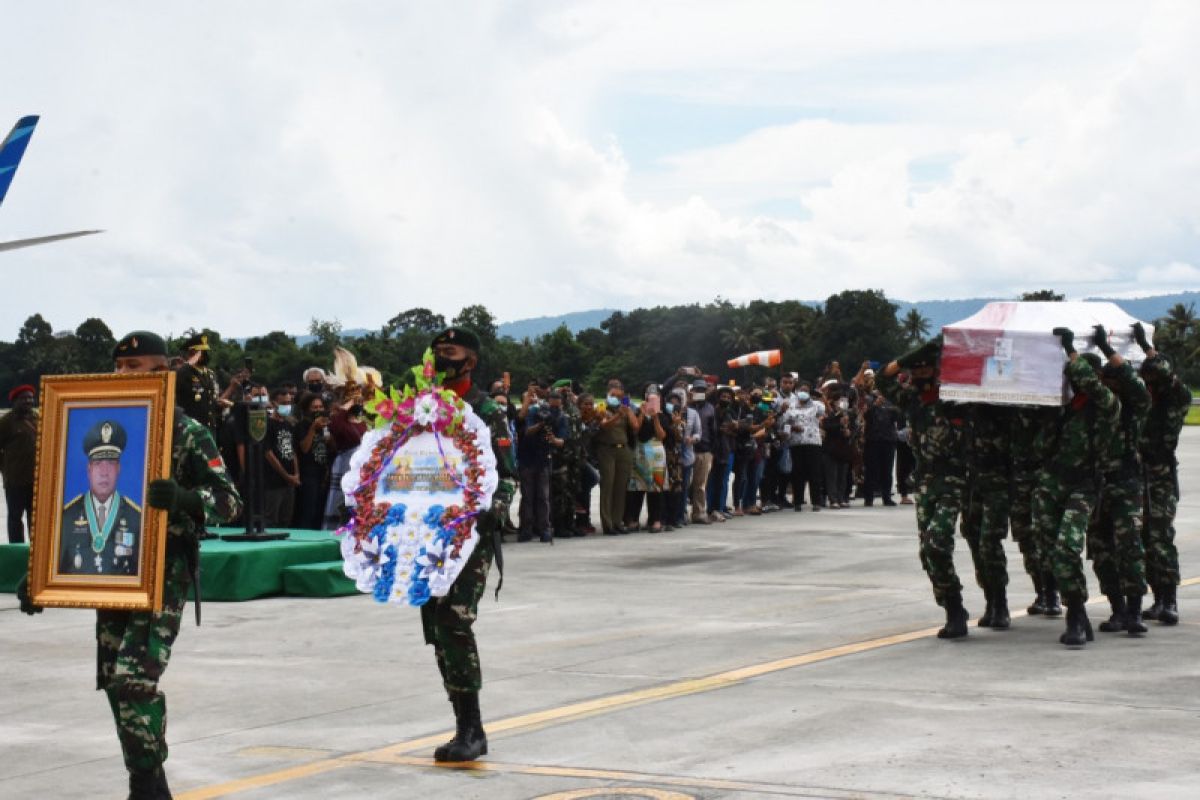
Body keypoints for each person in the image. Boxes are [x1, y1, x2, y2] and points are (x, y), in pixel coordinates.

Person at [19, 330, 242, 799]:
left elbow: (229, 501)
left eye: (135, 368)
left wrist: (186, 499)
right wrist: (39, 576)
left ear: (165, 371)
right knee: (114, 683)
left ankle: (147, 785)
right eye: (119, 367)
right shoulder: (91, 424)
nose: (123, 375)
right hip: (111, 574)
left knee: (134, 680)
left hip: (162, 573)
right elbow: (62, 506)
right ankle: (148, 782)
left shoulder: (187, 431)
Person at [423, 326, 517, 762]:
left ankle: (472, 730)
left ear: (471, 361)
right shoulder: (422, 407)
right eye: (438, 351)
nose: (443, 358)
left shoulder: (484, 410)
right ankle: (463, 720)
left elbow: (508, 473)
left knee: (454, 622)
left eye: (451, 351)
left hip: (471, 535)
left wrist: (492, 512)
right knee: (438, 632)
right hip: (429, 534)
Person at [879, 337, 971, 639]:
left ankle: (955, 607)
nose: (919, 373)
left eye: (925, 367)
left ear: (935, 369)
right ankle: (950, 606)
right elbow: (883, 378)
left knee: (937, 542)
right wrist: (914, 354)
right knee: (927, 553)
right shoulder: (912, 400)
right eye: (914, 369)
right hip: (926, 483)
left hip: (953, 481)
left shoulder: (953, 396)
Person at [1035, 328, 1120, 647]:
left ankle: (1075, 614)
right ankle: (1078, 612)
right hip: (1051, 484)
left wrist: (1070, 348)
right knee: (1049, 554)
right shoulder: (1062, 410)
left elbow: (1086, 379)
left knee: (1067, 549)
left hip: (1083, 485)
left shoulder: (1107, 404)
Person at [1134, 322, 1191, 625]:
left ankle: (1169, 600)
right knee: (1143, 539)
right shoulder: (1143, 402)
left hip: (1160, 477)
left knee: (1160, 538)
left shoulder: (1176, 398)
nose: (1149, 382)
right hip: (1138, 475)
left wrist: (1147, 347)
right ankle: (1157, 598)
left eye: (1153, 378)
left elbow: (1164, 373)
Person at [59, 420, 143, 575]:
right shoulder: (66, 516)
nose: (104, 472)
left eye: (110, 463)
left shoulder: (136, 518)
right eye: (98, 463)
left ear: (118, 469)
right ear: (89, 469)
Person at [959, 404, 1015, 629]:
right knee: (974, 539)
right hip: (972, 480)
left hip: (998, 482)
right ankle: (990, 599)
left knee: (989, 543)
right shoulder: (963, 406)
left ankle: (1000, 602)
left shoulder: (1005, 408)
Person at [595, 379, 638, 535]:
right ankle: (607, 524)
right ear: (608, 393)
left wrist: (627, 410)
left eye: (619, 394)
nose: (616, 397)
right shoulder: (601, 407)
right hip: (607, 450)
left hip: (623, 449)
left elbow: (635, 427)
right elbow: (604, 425)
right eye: (613, 393)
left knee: (621, 487)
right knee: (608, 486)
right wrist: (617, 416)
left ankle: (617, 521)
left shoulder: (624, 407)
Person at [0, 384, 38, 542]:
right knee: (15, 517)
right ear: (15, 401)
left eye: (30, 398)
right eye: (24, 398)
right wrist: (5, 468)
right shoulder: (6, 422)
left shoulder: (38, 418)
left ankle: (35, 551)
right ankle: (17, 549)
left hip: (36, 479)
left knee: (34, 517)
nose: (28, 401)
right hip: (15, 480)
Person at [294, 391, 334, 530]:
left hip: (322, 473)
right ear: (306, 409)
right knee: (308, 511)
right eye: (314, 407)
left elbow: (331, 447)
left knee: (320, 511)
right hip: (307, 473)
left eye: (320, 407)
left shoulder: (325, 426)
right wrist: (313, 428)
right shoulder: (301, 425)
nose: (318, 410)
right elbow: (304, 448)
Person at [262, 387, 300, 527]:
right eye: (283, 403)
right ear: (273, 403)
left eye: (288, 403)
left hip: (290, 482)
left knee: (286, 519)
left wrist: (296, 474)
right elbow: (268, 453)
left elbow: (293, 451)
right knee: (271, 519)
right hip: (274, 482)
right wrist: (286, 475)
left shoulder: (289, 424)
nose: (286, 406)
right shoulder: (267, 424)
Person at [174, 333, 223, 437]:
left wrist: (220, 404)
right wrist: (189, 363)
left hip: (209, 428)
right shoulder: (185, 373)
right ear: (192, 352)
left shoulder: (210, 374)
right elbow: (176, 378)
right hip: (191, 429)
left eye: (204, 352)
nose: (204, 355)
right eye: (200, 352)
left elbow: (212, 401)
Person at [688, 379, 716, 524]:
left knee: (700, 484)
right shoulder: (685, 406)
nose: (700, 393)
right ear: (692, 391)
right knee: (684, 483)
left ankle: (698, 513)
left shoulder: (710, 408)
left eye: (702, 390)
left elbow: (713, 430)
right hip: (686, 449)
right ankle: (680, 513)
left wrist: (712, 451)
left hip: (704, 450)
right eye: (697, 390)